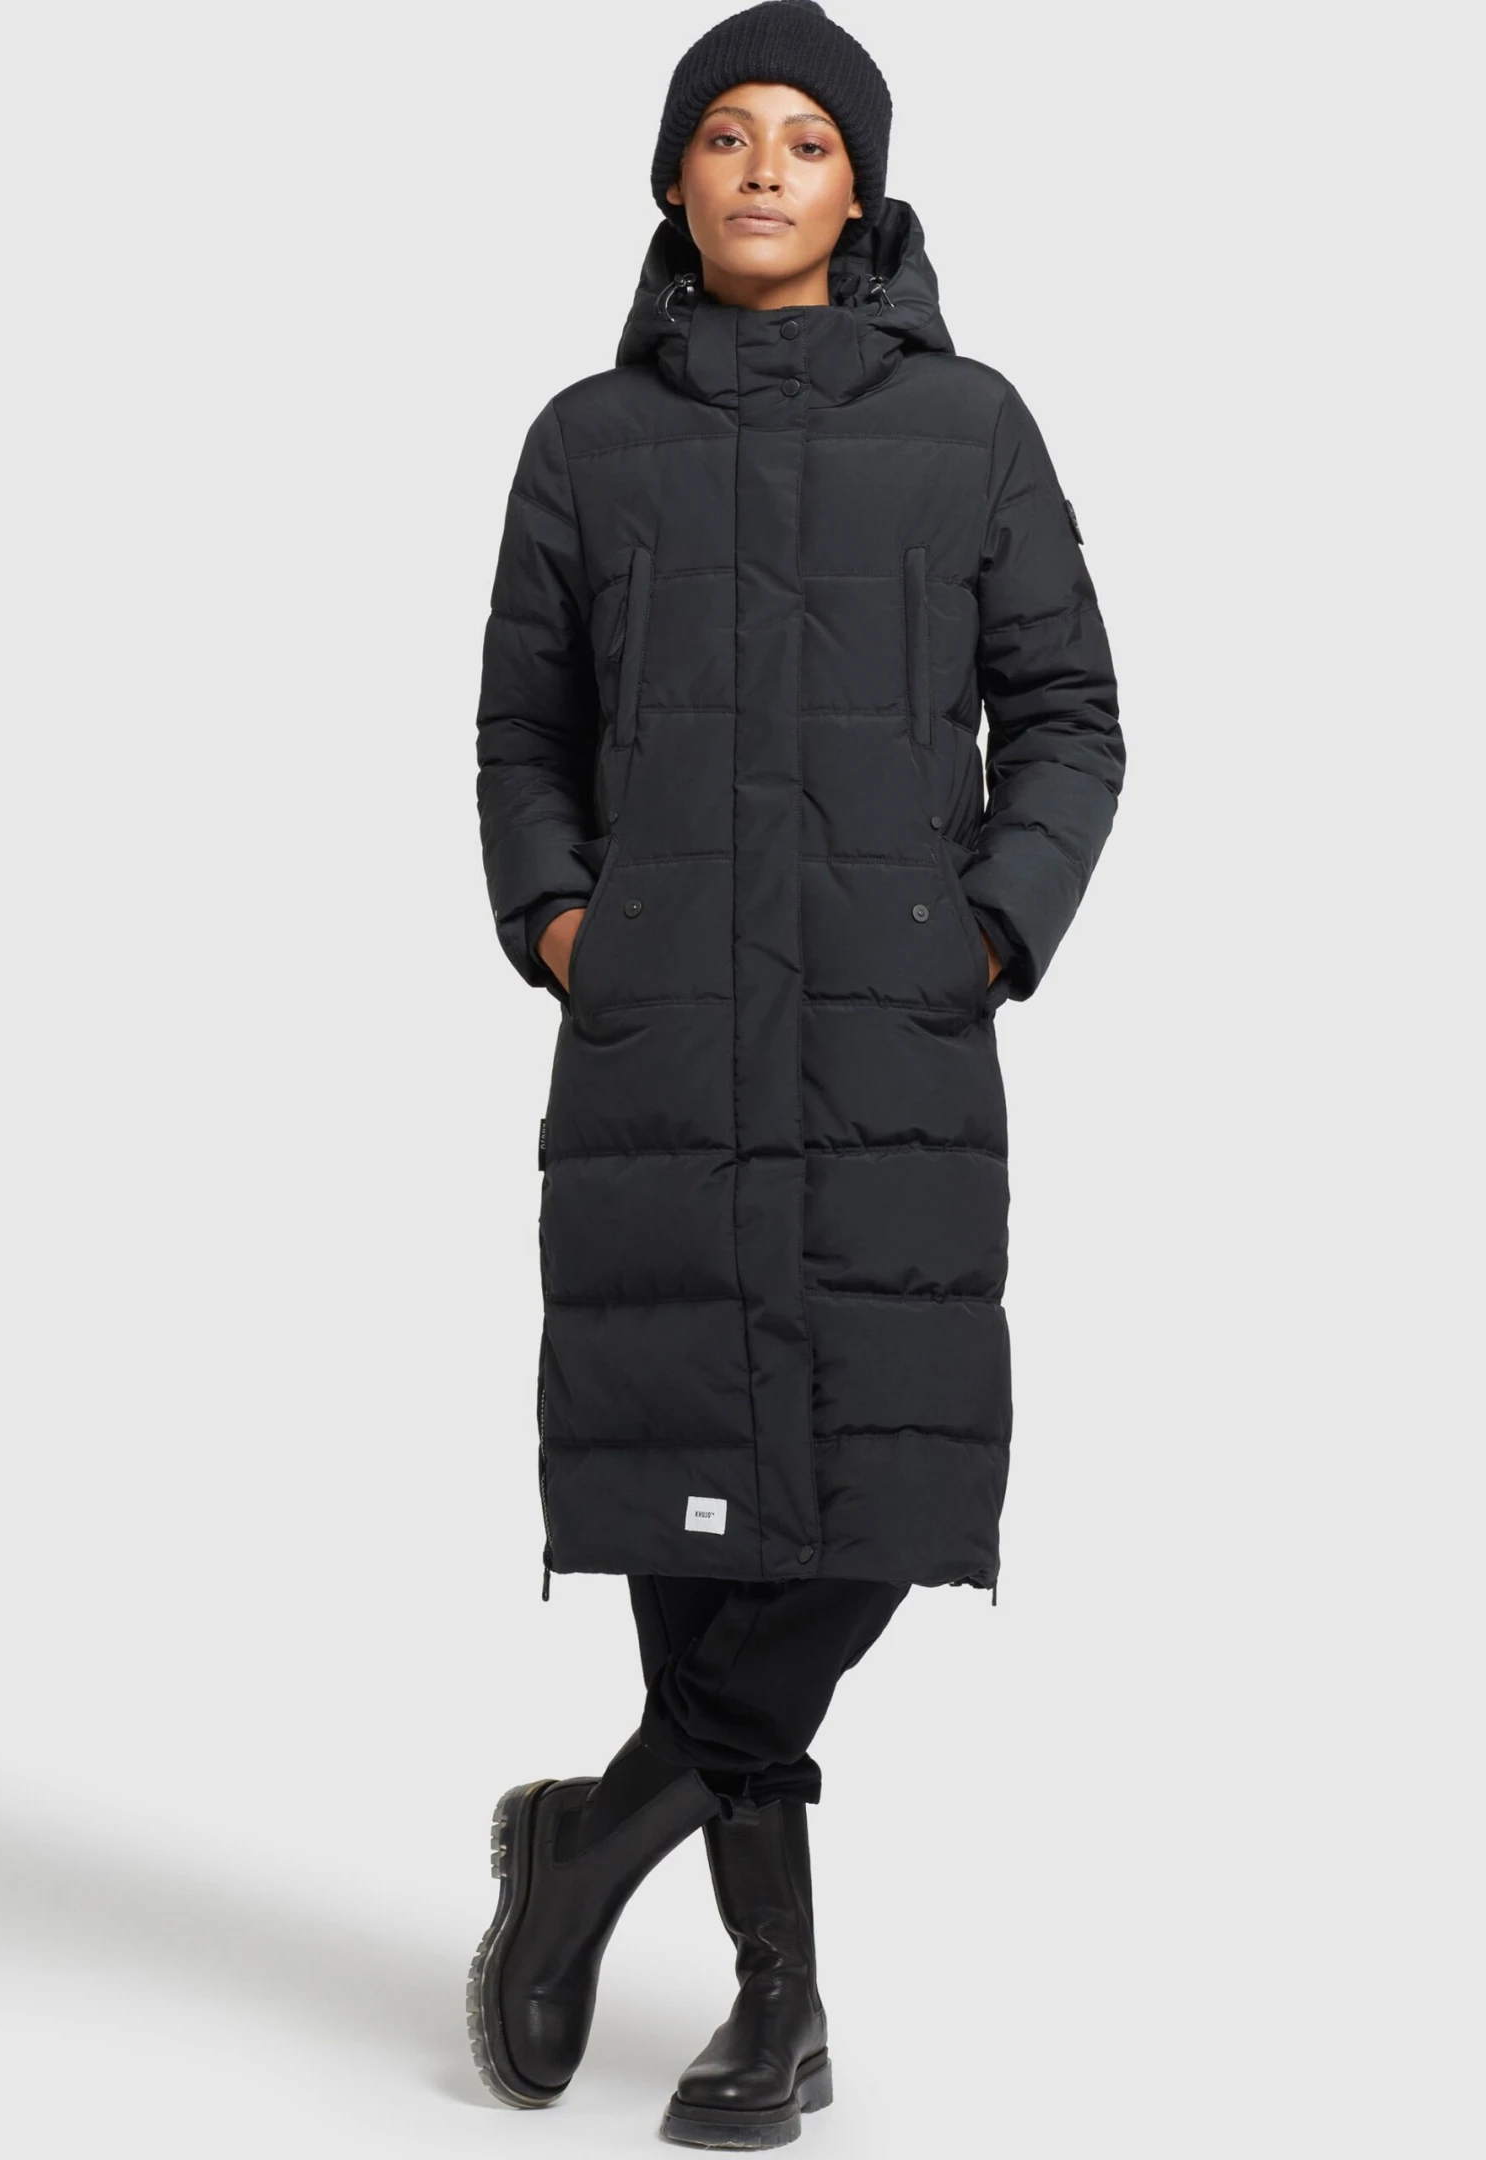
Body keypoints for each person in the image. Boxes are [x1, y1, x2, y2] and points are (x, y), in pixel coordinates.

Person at [467, 0, 1124, 2144]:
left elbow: (1069, 712)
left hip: (883, 1045)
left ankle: (590, 1840)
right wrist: (567, 922)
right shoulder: (585, 442)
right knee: (699, 1506)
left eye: (808, 139)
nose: (763, 168)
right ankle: (780, 2007)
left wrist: (992, 924)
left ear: (865, 189)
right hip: (662, 1051)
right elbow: (524, 731)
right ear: (673, 180)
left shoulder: (973, 427)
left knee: (868, 1504)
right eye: (726, 135)